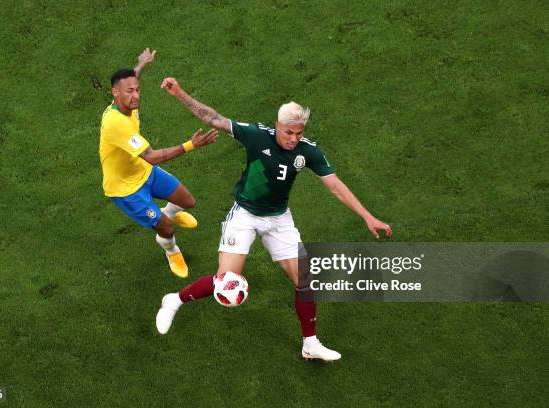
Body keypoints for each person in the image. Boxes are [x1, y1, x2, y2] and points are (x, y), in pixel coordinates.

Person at [155, 77, 393, 362]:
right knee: (225, 280)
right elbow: (213, 117)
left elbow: (335, 185)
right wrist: (179, 92)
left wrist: (367, 216)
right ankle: (175, 300)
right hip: (245, 215)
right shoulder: (256, 136)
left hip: (279, 220)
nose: (294, 139)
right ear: (278, 126)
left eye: (299, 133)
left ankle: (310, 343)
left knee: (305, 281)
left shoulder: (308, 151)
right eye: (289, 132)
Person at [99, 51, 218, 278]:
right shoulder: (116, 123)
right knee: (165, 228)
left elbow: (129, 81)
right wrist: (191, 145)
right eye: (130, 92)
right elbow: (151, 156)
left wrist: (141, 64)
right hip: (126, 189)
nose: (136, 96)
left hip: (143, 172)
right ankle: (172, 251)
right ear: (115, 93)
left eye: (137, 90)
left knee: (187, 201)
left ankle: (169, 213)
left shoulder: (123, 104)